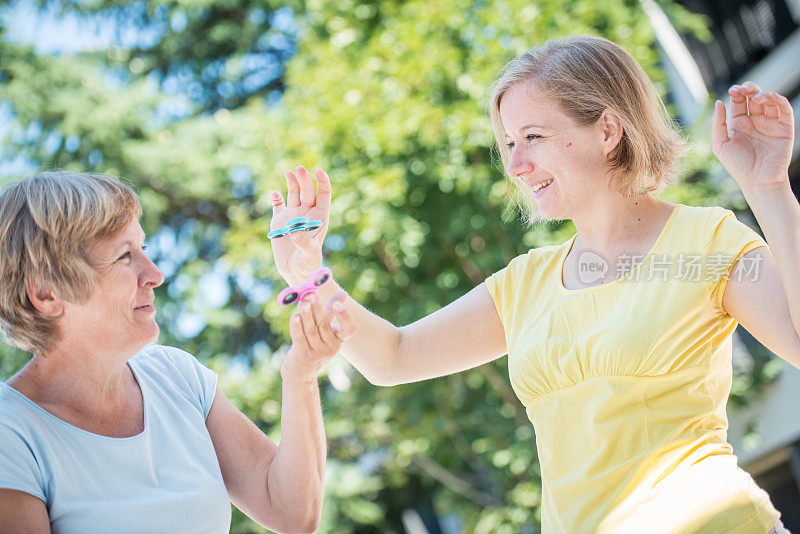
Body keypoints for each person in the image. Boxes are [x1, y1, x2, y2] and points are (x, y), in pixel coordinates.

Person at [268, 35, 799, 533]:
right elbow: (394, 356)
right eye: (508, 144)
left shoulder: (705, 241)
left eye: (534, 137)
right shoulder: (524, 285)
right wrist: (308, 273)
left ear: (608, 131)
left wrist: (767, 187)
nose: (517, 165)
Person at [0, 171, 355, 533]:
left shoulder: (176, 375)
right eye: (124, 256)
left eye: (144, 249)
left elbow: (292, 513)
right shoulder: (10, 435)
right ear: (45, 294)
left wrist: (301, 375)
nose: (154, 274)